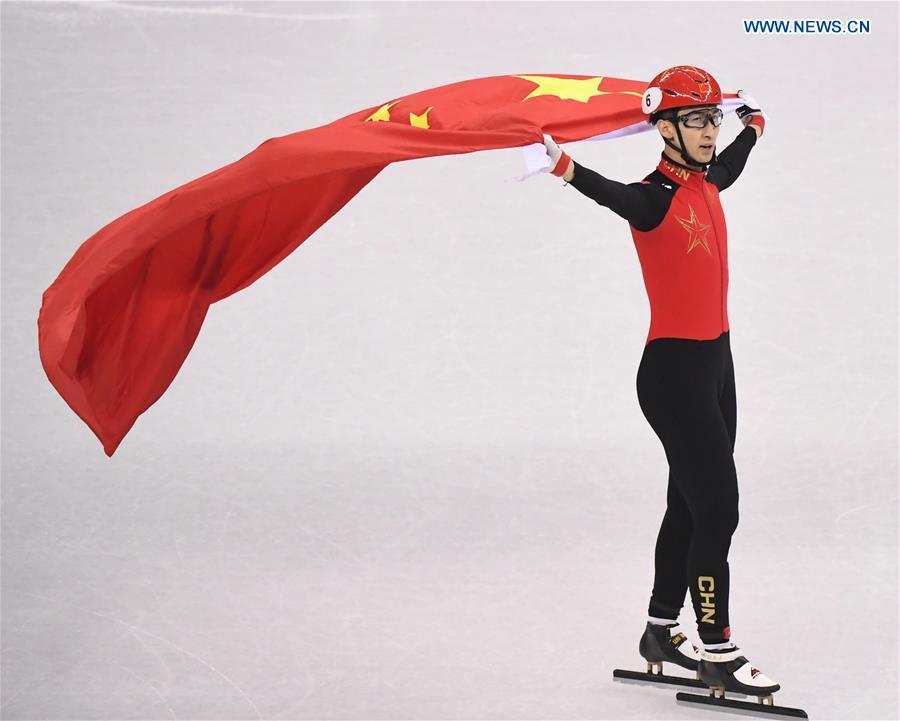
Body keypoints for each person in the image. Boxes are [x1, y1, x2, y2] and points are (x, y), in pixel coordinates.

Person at [543, 65, 778, 699]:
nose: (709, 132)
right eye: (696, 120)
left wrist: (753, 125)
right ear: (665, 128)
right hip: (674, 377)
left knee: (689, 502)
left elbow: (733, 163)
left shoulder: (708, 180)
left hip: (716, 368)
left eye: (714, 119)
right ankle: (717, 650)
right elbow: (609, 193)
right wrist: (566, 168)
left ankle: (658, 630)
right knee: (718, 510)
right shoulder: (655, 198)